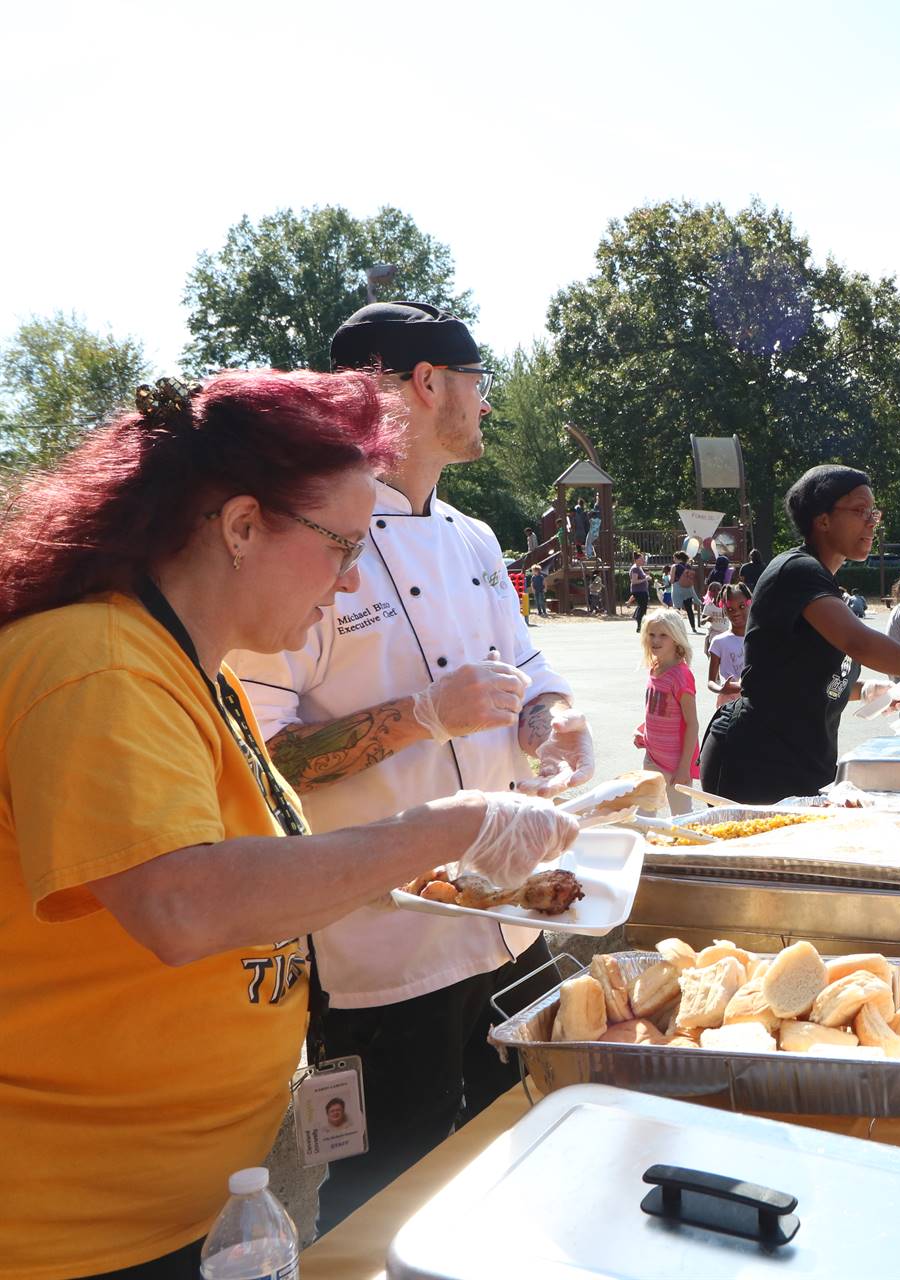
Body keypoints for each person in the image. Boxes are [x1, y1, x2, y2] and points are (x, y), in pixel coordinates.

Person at [0, 371, 577, 1279]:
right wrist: (452, 824)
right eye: (342, 548)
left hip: (188, 1205)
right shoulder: (98, 664)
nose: (352, 585)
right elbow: (184, 903)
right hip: (86, 1233)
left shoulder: (198, 669)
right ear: (238, 527)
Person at [230, 302, 598, 1230]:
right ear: (428, 383)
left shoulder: (474, 539)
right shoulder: (302, 543)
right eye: (478, 381)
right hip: (387, 960)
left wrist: (553, 718)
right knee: (391, 1207)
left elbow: (529, 668)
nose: (485, 402)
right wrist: (419, 717)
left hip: (517, 926)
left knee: (534, 1159)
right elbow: (255, 760)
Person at [699, 465, 900, 803]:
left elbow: (801, 681)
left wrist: (866, 689)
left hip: (801, 765)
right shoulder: (797, 570)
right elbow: (857, 642)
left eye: (873, 512)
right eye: (860, 511)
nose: (872, 521)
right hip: (756, 761)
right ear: (822, 519)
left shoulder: (823, 584)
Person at [634, 608, 701, 814]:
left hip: (675, 764)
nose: (656, 640)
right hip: (652, 756)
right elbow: (659, 710)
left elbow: (692, 724)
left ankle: (686, 847)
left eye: (663, 635)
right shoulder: (654, 667)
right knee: (644, 812)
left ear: (676, 638)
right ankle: (644, 846)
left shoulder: (681, 676)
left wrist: (683, 767)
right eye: (652, 634)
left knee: (681, 816)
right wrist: (644, 731)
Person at [706, 584, 752, 709]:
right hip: (728, 705)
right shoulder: (719, 642)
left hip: (753, 701)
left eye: (741, 606)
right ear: (724, 610)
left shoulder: (757, 639)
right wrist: (722, 689)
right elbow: (711, 681)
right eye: (730, 609)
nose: (736, 612)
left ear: (750, 604)